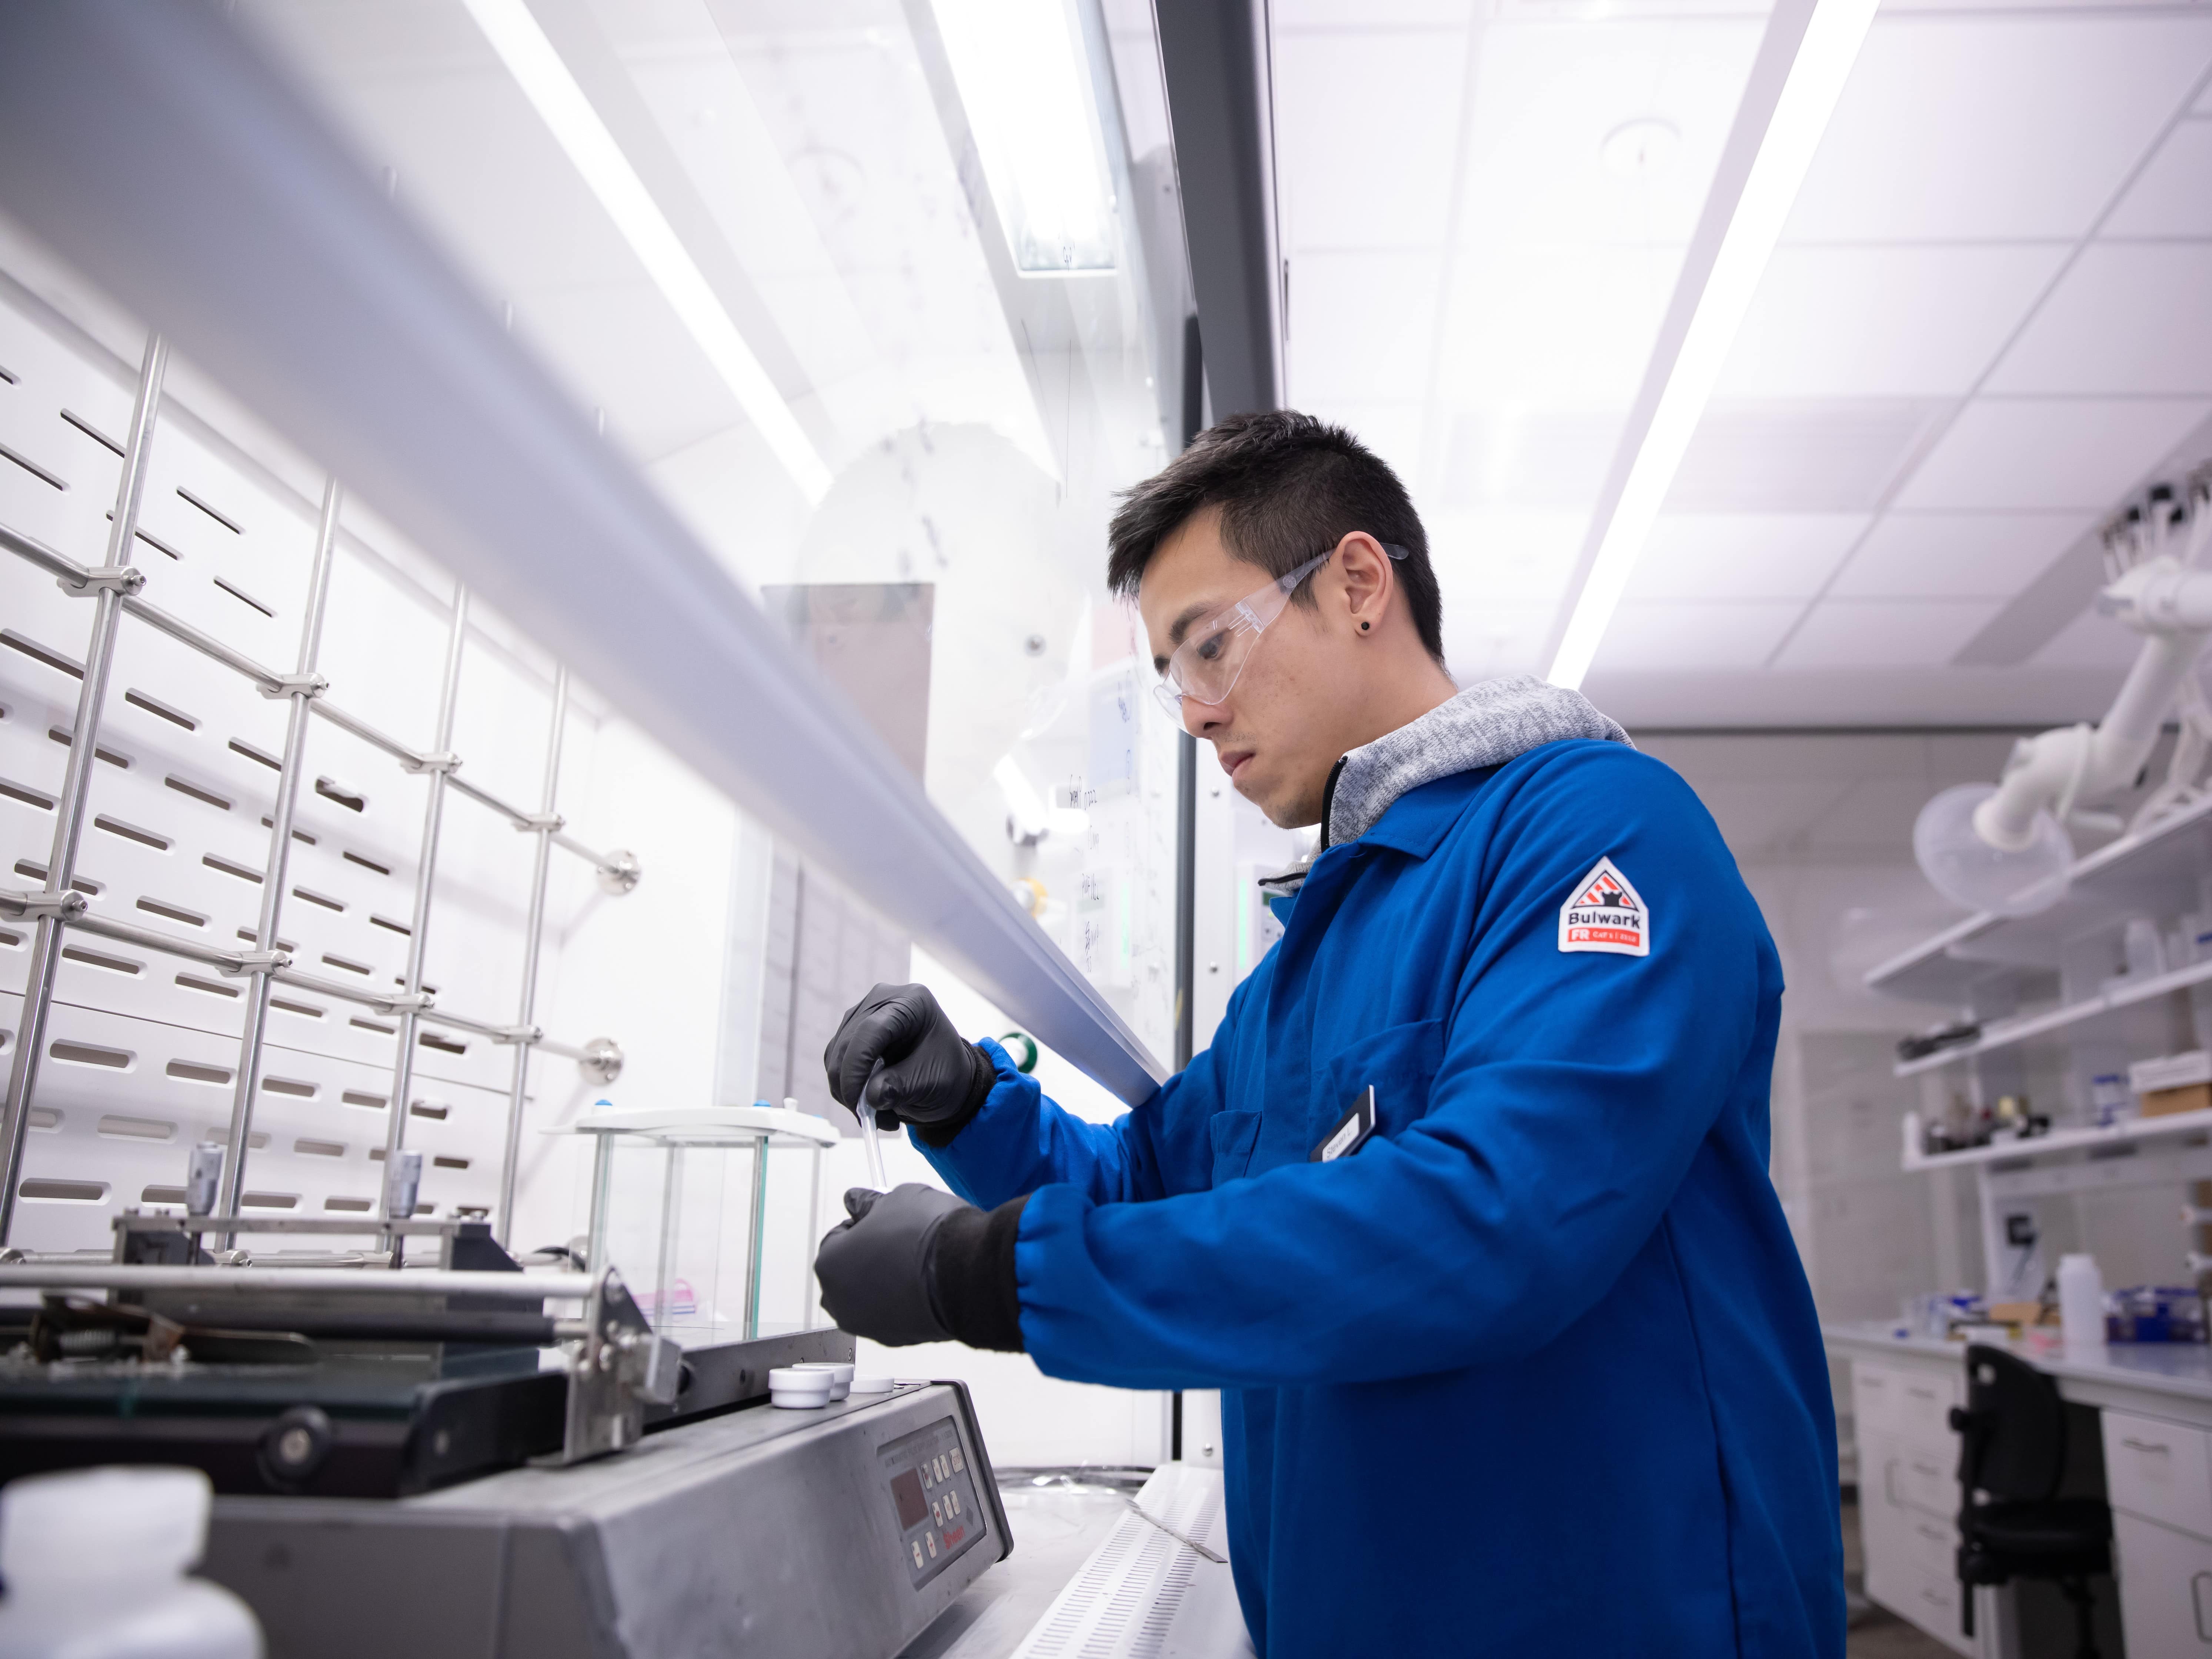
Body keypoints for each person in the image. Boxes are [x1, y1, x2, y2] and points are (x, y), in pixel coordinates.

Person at [814, 411, 1843, 1657]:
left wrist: (981, 1275)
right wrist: (971, 1105)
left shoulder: (1598, 832)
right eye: (1171, 676)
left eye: (1212, 647)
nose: (1195, 713)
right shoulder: (1307, 963)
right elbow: (1146, 1182)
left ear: (1359, 584)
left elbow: (1498, 1218)